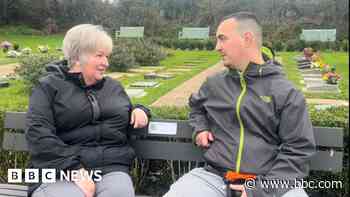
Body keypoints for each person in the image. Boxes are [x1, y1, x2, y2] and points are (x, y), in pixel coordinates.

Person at [163, 12, 315, 197]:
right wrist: (200, 128)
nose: (217, 47)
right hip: (215, 178)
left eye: (222, 39)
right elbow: (196, 108)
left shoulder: (287, 93)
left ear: (247, 38)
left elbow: (298, 149)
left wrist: (261, 190)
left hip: (270, 182)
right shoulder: (214, 84)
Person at [26, 24, 151, 197]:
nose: (106, 63)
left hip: (111, 169)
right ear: (78, 56)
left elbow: (125, 115)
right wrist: (73, 169)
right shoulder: (47, 87)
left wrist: (140, 109)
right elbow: (38, 133)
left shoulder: (113, 87)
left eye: (107, 56)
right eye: (99, 56)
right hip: (58, 169)